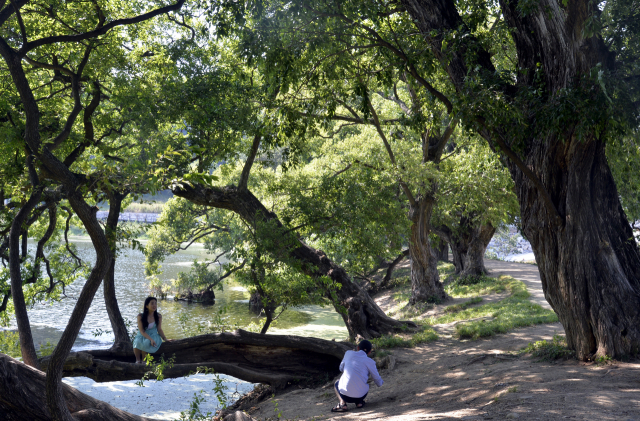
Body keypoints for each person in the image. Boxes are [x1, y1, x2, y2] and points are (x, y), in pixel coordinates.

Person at [332, 339, 383, 412]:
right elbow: (379, 382)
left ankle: (342, 404)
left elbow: (341, 368)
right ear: (369, 352)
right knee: (363, 383)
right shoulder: (370, 362)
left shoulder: (348, 353)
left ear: (358, 348)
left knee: (337, 382)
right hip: (361, 395)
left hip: (345, 395)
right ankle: (359, 403)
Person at [133, 296, 169, 363]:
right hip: (142, 334)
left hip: (153, 335)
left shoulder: (158, 316)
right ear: (146, 306)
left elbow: (159, 329)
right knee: (137, 341)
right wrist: (150, 339)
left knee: (146, 342)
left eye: (155, 303)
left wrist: (165, 339)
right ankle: (137, 361)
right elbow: (142, 331)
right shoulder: (140, 316)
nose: (154, 305)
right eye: (152, 303)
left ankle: (144, 361)